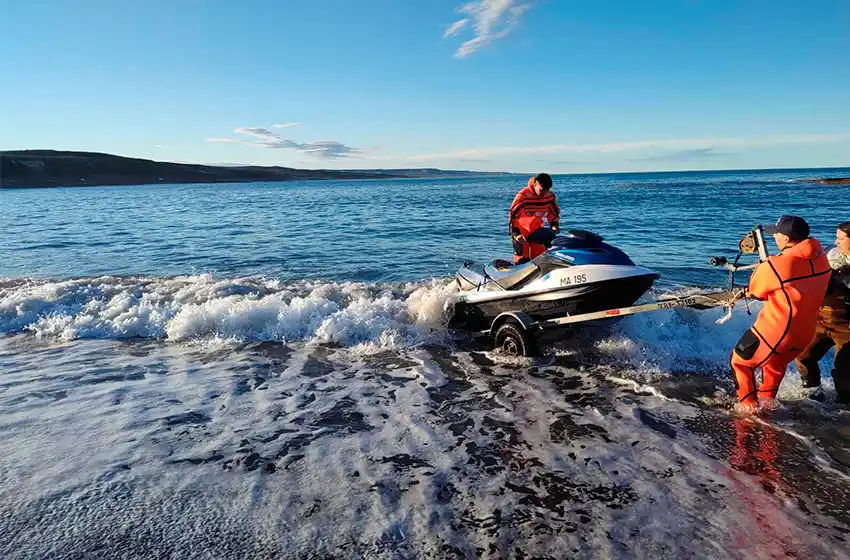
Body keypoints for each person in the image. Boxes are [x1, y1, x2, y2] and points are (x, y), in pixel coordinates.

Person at [730, 215, 831, 413]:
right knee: (774, 365)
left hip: (777, 331)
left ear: (785, 238)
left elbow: (756, 291)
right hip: (805, 333)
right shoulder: (822, 257)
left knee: (740, 362)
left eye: (776, 234)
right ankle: (767, 405)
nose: (774, 237)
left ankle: (748, 411)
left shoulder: (776, 264)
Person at [794, 221, 850, 403]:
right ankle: (812, 396)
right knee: (803, 355)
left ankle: (842, 413)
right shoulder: (830, 254)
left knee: (844, 376)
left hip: (847, 328)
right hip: (822, 321)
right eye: (836, 237)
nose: (837, 241)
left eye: (841, 238)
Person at [508, 173, 561, 264]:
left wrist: (554, 224)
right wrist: (516, 233)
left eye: (546, 190)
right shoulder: (523, 196)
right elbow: (513, 216)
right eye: (541, 190)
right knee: (522, 261)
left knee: (540, 260)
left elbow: (553, 212)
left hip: (536, 230)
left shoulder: (550, 196)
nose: (544, 193)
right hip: (521, 232)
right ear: (535, 184)